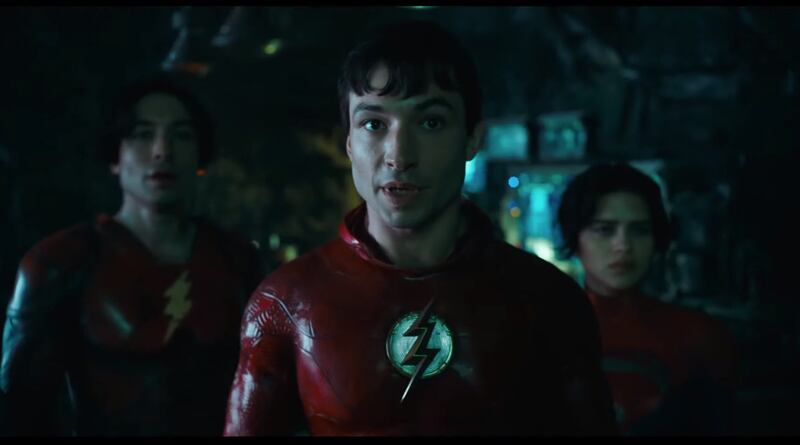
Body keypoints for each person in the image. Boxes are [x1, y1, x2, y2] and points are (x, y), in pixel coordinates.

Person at [224, 21, 617, 436]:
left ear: (472, 138)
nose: (399, 155)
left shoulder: (549, 300)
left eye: (430, 122)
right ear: (349, 142)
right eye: (374, 124)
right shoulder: (284, 302)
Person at [0, 75, 263, 436]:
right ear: (115, 156)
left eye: (181, 135)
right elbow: (19, 408)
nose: (162, 150)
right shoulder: (61, 262)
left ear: (199, 154)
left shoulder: (237, 261)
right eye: (142, 134)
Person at [556, 162, 739, 435]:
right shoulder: (548, 331)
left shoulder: (699, 335)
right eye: (605, 229)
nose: (623, 246)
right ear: (576, 237)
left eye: (639, 230)